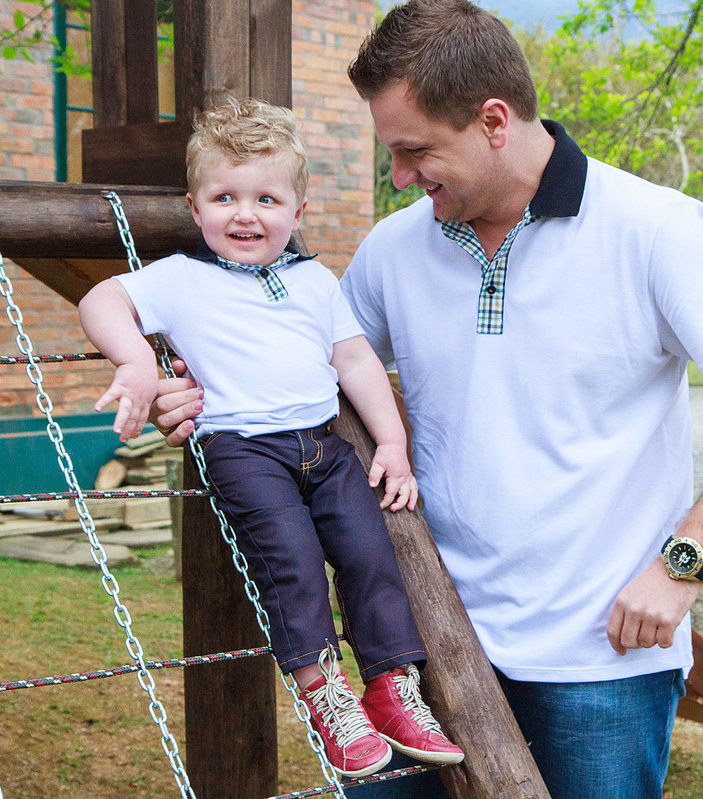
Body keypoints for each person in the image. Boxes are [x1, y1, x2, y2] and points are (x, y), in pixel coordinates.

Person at [151, 3, 703, 796]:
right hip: (428, 639)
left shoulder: (654, 229)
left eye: (415, 152)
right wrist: (195, 392)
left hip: (601, 660)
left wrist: (684, 564)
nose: (400, 178)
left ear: (495, 121)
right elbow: (314, 368)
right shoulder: (394, 249)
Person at [77, 97, 463, 779]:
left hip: (324, 446)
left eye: (265, 198)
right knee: (292, 559)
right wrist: (136, 358)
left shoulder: (314, 281)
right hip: (244, 450)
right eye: (224, 196)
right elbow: (101, 298)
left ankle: (391, 685)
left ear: (298, 209)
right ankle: (325, 693)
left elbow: (356, 361)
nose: (245, 213)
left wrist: (392, 444)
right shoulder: (182, 277)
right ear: (195, 208)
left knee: (372, 555)